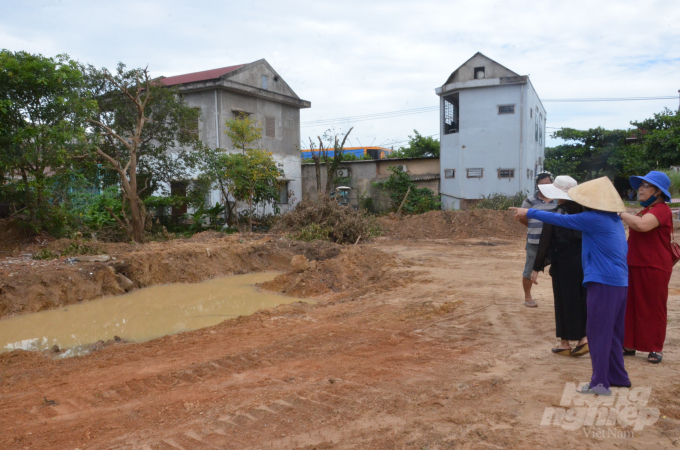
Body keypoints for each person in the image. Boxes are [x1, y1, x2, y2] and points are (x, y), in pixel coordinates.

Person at [511, 176, 630, 396]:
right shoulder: (611, 219)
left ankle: (600, 383)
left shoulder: (594, 219)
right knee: (612, 333)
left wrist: (529, 212)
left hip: (604, 282)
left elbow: (561, 221)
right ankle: (618, 376)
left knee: (597, 334)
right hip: (619, 282)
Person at [620, 171, 673, 364]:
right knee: (631, 305)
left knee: (653, 307)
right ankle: (629, 344)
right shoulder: (647, 209)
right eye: (640, 185)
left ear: (658, 191)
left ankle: (655, 347)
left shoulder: (661, 209)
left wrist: (620, 212)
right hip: (635, 262)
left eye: (645, 186)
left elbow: (642, 226)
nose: (640, 189)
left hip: (654, 265)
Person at [531, 176, 588, 357]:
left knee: (564, 301)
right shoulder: (586, 213)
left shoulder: (556, 214)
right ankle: (584, 338)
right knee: (582, 299)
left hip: (563, 264)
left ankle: (565, 343)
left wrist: (536, 267)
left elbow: (545, 242)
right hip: (585, 263)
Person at [520, 171, 557, 307]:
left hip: (556, 243)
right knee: (529, 270)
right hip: (534, 242)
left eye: (547, 183)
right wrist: (532, 227)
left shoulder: (559, 200)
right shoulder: (530, 200)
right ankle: (528, 296)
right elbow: (522, 217)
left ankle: (560, 296)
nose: (545, 186)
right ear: (537, 185)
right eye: (542, 184)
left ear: (552, 184)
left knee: (559, 270)